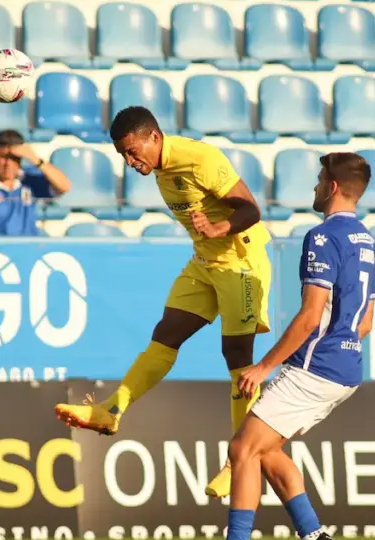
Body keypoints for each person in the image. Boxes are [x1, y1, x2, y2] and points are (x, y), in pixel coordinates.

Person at [178, 152, 375, 540]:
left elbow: (310, 316)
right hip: (347, 367)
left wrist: (265, 367)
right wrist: (339, 351)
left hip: (315, 366)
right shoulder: (366, 239)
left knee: (242, 450)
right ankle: (314, 537)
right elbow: (366, 321)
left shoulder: (323, 237)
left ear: (334, 188)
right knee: (266, 451)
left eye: (320, 180)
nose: (314, 188)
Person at [54, 106, 272, 499]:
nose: (130, 161)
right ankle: (112, 410)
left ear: (154, 137)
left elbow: (251, 209)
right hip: (205, 260)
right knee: (165, 335)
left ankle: (239, 459)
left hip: (240, 261)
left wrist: (219, 226)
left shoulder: (201, 159)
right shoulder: (158, 168)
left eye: (133, 151)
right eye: (122, 155)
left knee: (237, 357)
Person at [0, 130, 72, 236]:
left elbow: (64, 186)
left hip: (30, 248)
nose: (8, 164)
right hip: (1, 252)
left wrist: (35, 159)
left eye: (14, 158)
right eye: (4, 157)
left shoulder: (28, 179)